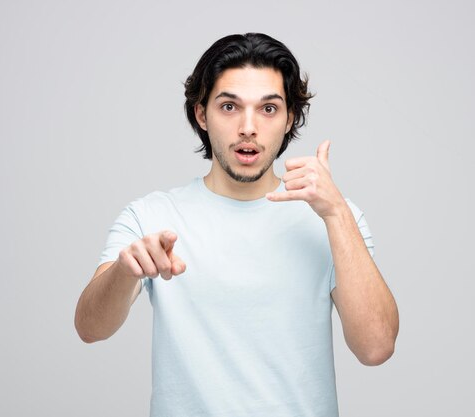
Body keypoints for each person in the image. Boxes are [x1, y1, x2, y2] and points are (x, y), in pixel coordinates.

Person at [75, 32, 399, 416]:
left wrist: (336, 214)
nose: (248, 127)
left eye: (268, 109)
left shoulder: (334, 217)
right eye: (229, 107)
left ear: (289, 117)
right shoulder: (151, 216)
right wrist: (126, 272)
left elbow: (376, 347)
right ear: (201, 114)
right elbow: (89, 328)